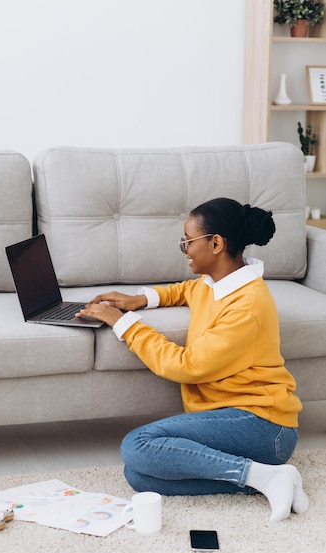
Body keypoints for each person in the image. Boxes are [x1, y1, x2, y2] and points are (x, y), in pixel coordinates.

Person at [75, 197, 309, 523]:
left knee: (137, 445)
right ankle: (263, 478)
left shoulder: (248, 305)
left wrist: (122, 322)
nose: (184, 248)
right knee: (140, 477)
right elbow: (186, 291)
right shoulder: (214, 284)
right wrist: (141, 298)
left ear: (215, 243)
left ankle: (268, 475)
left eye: (188, 240)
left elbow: (186, 366)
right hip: (234, 418)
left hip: (265, 426)